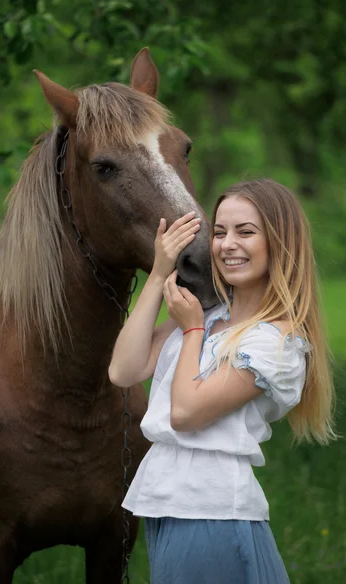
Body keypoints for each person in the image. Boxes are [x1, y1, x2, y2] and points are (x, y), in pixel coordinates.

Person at [108, 178, 336, 584]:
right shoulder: (210, 315)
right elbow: (124, 371)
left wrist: (192, 332)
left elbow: (186, 413)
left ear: (280, 243)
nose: (227, 244)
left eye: (245, 232)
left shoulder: (276, 343)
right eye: (219, 232)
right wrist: (160, 274)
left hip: (210, 508)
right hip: (169, 504)